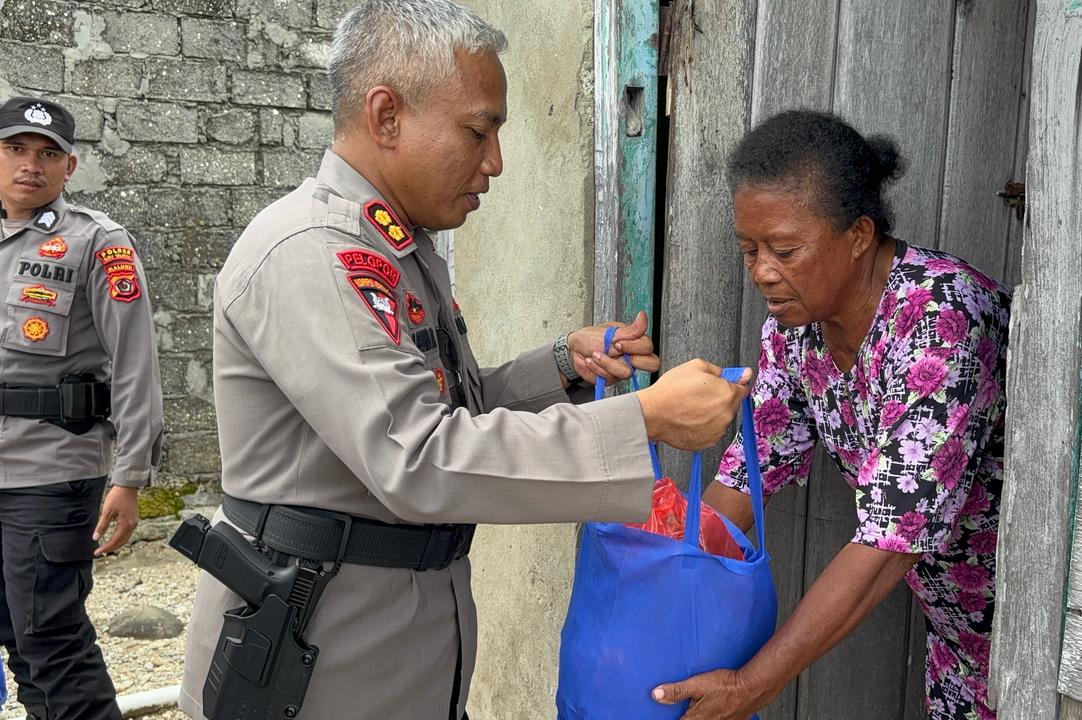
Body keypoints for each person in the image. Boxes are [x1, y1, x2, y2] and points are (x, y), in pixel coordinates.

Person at [178, 2, 750, 719]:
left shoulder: (398, 250)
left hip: (397, 648)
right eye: (478, 131)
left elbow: (449, 409)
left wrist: (562, 366)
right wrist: (642, 421)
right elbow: (418, 456)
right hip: (317, 665)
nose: (496, 162)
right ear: (386, 115)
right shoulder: (313, 253)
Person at [652, 111, 1009, 720]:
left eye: (784, 249)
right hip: (957, 639)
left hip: (1037, 629)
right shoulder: (796, 332)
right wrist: (656, 583)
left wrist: (750, 685)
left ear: (860, 235)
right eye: (749, 249)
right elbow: (747, 475)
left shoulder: (941, 319)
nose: (763, 270)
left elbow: (890, 543)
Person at [0, 96, 163, 720]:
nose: (29, 166)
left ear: (70, 167)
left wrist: (129, 477)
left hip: (54, 472)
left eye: (46, 155)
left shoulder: (97, 242)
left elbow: (135, 364)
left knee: (53, 639)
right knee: (16, 637)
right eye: (16, 149)